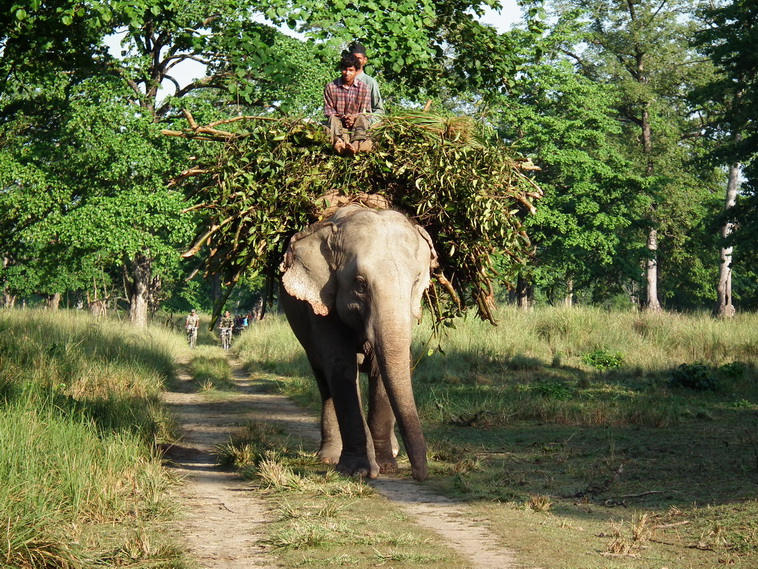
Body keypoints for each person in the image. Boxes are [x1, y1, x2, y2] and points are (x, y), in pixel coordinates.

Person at [324, 52, 372, 155]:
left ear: (356, 71)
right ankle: (339, 142)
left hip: (356, 122)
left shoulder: (364, 88)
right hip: (339, 122)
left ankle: (355, 144)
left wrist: (353, 118)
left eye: (351, 70)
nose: (347, 73)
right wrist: (343, 118)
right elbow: (329, 111)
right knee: (332, 118)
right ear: (341, 70)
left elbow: (366, 112)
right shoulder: (331, 87)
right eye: (345, 70)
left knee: (362, 118)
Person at [348, 41, 384, 125]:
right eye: (353, 57)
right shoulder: (339, 82)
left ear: (365, 60)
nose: (356, 61)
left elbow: (379, 110)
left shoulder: (370, 82)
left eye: (359, 58)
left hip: (363, 126)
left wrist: (366, 121)